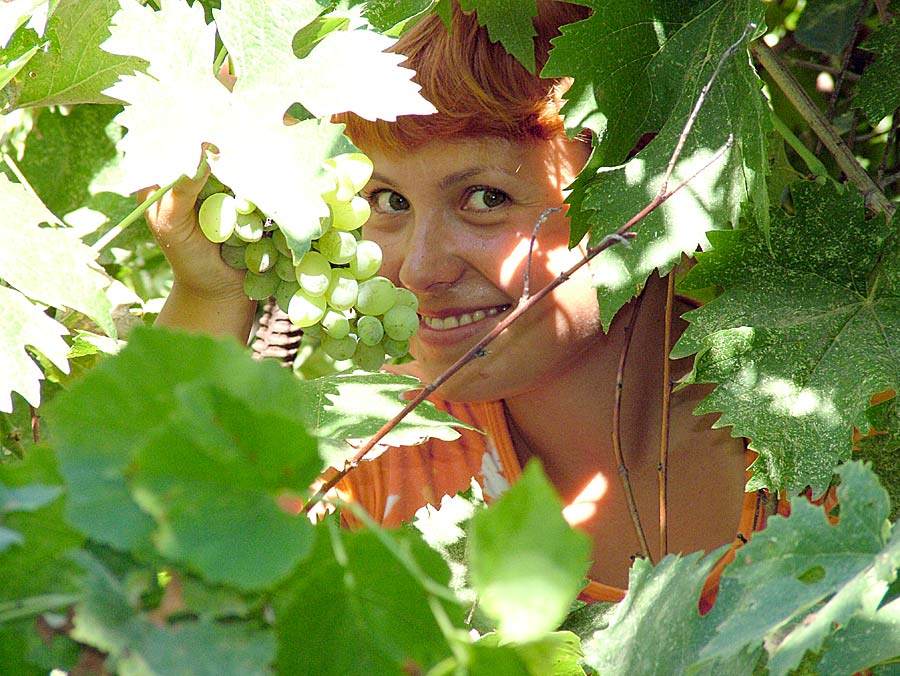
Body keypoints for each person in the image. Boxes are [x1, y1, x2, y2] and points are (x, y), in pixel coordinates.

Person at [144, 1, 759, 608]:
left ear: (654, 183)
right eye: (387, 201)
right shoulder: (383, 463)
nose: (421, 269)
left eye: (485, 197)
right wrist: (208, 294)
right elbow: (160, 621)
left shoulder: (832, 443)